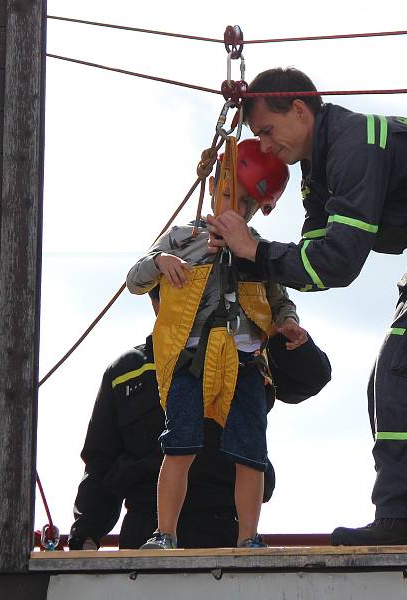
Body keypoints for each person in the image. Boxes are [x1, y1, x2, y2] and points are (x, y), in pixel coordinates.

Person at [207, 68, 407, 546]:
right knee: (391, 378)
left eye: (267, 132)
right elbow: (315, 263)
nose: (266, 148)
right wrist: (261, 278)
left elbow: (336, 263)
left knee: (403, 371)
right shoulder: (318, 169)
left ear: (299, 110)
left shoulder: (354, 145)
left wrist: (255, 250)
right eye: (257, 139)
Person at [126, 138, 309, 550]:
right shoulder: (181, 239)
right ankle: (165, 533)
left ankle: (249, 538)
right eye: (233, 196)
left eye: (247, 204)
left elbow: (280, 299)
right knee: (180, 444)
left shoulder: (258, 249)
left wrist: (290, 324)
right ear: (213, 188)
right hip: (193, 359)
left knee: (250, 451)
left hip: (244, 362)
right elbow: (134, 281)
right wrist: (159, 263)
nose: (237, 209)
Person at [67, 285, 332, 550]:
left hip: (224, 533)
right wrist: (85, 535)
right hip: (144, 533)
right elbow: (99, 462)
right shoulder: (125, 371)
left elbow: (311, 379)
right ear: (156, 303)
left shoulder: (247, 361)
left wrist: (287, 332)